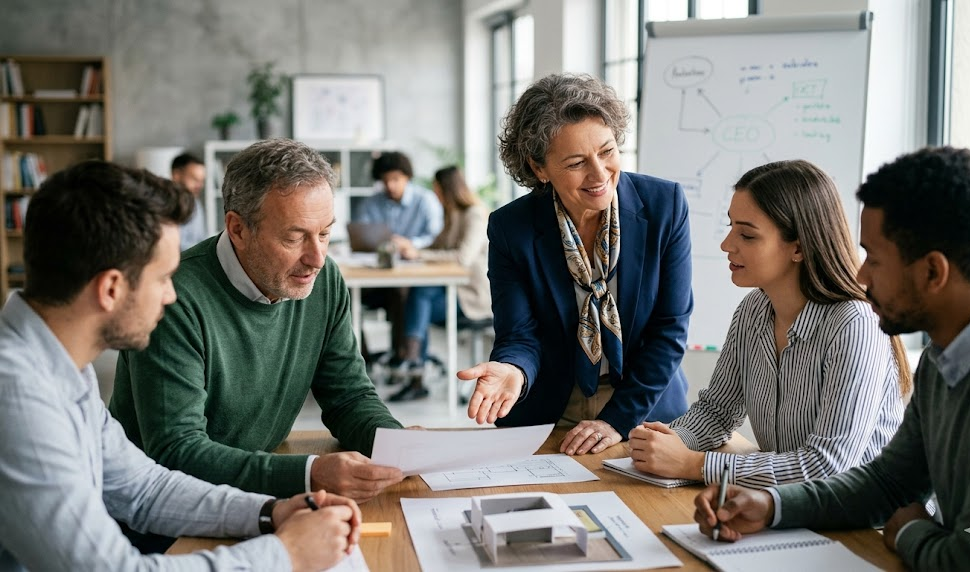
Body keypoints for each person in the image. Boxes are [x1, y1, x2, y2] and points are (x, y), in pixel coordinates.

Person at [0, 160, 362, 570]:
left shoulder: (59, 365)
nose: (172, 295)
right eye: (162, 279)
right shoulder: (17, 398)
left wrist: (270, 512)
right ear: (111, 288)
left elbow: (143, 488)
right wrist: (286, 553)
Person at [693, 146, 970, 570]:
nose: (861, 275)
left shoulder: (856, 323)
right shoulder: (940, 360)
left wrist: (911, 532)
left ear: (933, 272)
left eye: (875, 259)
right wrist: (770, 506)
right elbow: (889, 484)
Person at [109, 138, 405, 505]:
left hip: (252, 493)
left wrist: (397, 446)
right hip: (161, 508)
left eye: (325, 233)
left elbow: (349, 397)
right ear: (237, 229)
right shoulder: (173, 298)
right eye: (294, 237)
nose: (317, 258)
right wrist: (308, 474)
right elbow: (176, 451)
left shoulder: (324, 279)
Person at [628, 160, 910, 488]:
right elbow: (716, 412)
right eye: (731, 226)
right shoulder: (753, 310)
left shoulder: (855, 324)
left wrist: (694, 464)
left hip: (863, 514)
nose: (727, 244)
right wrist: (667, 442)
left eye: (747, 234)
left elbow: (827, 465)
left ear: (798, 247)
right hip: (789, 503)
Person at [458, 73, 693, 455]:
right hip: (553, 407)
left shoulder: (664, 205)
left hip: (644, 407)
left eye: (607, 151)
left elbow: (669, 329)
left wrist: (616, 420)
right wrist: (513, 370)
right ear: (539, 168)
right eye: (576, 163)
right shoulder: (511, 228)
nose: (599, 174)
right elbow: (520, 334)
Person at [389, 166, 492, 402]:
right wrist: (410, 248)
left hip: (473, 297)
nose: (435, 195)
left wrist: (418, 254)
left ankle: (414, 366)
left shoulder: (474, 214)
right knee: (417, 295)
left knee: (418, 299)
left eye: (437, 190)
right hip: (453, 292)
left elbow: (463, 257)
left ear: (447, 189)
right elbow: (436, 247)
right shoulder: (452, 215)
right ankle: (414, 362)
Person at [355, 151, 444, 362]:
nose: (390, 185)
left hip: (412, 277)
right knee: (345, 296)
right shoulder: (371, 203)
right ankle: (361, 358)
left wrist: (411, 245)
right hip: (376, 276)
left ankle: (405, 359)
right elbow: (359, 235)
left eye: (395, 179)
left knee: (403, 293)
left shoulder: (425, 201)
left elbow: (436, 238)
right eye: (385, 180)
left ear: (407, 177)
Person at [170, 152, 208, 250]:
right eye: (194, 179)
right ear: (176, 175)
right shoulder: (163, 204)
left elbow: (201, 239)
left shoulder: (196, 204)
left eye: (201, 180)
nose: (200, 185)